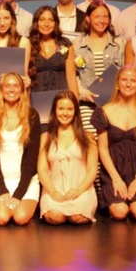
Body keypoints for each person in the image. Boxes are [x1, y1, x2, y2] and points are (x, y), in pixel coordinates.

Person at [91, 65, 136, 221]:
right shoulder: (103, 111)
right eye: (124, 80)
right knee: (120, 212)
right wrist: (116, 179)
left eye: (133, 80)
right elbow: (102, 149)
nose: (128, 84)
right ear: (117, 83)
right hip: (113, 173)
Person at [0, 72, 41, 225]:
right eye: (7, 86)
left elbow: (31, 158)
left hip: (25, 180)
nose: (11, 89)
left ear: (22, 90)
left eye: (16, 86)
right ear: (1, 89)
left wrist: (19, 192)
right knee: (2, 219)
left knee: (20, 218)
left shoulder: (32, 116)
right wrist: (2, 190)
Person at [37, 91, 98, 224]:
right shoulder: (45, 137)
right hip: (54, 189)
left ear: (75, 111)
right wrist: (53, 191)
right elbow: (42, 169)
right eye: (61, 109)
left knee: (78, 218)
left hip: (81, 189)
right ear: (55, 110)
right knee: (55, 217)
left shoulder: (88, 137)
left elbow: (92, 170)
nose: (65, 113)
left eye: (69, 109)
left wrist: (78, 190)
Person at [73, 0, 124, 130]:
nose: (102, 20)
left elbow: (125, 72)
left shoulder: (119, 43)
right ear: (88, 19)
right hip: (87, 104)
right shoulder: (77, 44)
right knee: (91, 138)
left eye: (105, 16)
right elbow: (73, 75)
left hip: (115, 102)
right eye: (97, 16)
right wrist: (83, 93)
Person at [28, 5, 79, 97]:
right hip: (36, 98)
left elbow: (71, 77)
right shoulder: (29, 44)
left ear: (55, 23)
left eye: (51, 20)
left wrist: (75, 104)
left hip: (61, 100)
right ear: (36, 22)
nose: (46, 24)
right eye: (42, 20)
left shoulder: (64, 44)